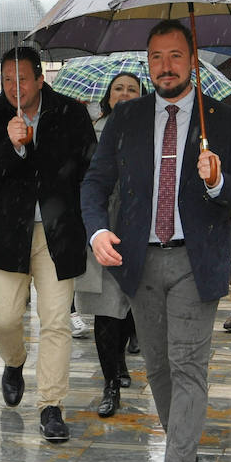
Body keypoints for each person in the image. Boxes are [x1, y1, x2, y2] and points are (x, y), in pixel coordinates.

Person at [82, 20, 231, 462]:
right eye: (156, 57)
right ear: (147, 62)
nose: (165, 66)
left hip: (194, 258)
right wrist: (97, 232)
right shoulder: (126, 119)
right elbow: (95, 184)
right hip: (138, 260)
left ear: (193, 59)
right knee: (157, 367)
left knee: (188, 367)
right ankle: (184, 444)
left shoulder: (221, 120)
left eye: (176, 56)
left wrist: (219, 179)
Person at [0, 45, 96, 442]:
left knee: (56, 321)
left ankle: (51, 405)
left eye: (22, 79)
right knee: (4, 318)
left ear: (41, 78)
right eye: (7, 79)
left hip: (58, 234)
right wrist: (13, 145)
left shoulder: (71, 113)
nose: (14, 87)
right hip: (10, 234)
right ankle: (14, 361)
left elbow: (90, 169)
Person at [73, 72, 143, 417]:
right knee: (105, 308)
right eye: (119, 89)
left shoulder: (156, 131)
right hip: (102, 227)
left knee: (132, 305)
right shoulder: (93, 132)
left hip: (143, 231)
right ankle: (110, 383)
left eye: (133, 89)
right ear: (108, 96)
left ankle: (122, 361)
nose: (126, 94)